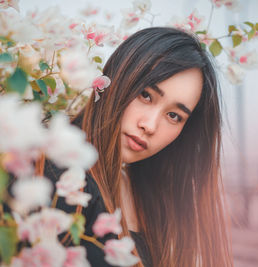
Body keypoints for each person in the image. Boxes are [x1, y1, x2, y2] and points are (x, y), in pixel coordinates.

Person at [41, 27, 233, 267]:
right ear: (116, 79)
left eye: (173, 116)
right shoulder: (54, 175)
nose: (150, 125)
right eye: (145, 95)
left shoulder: (147, 191)